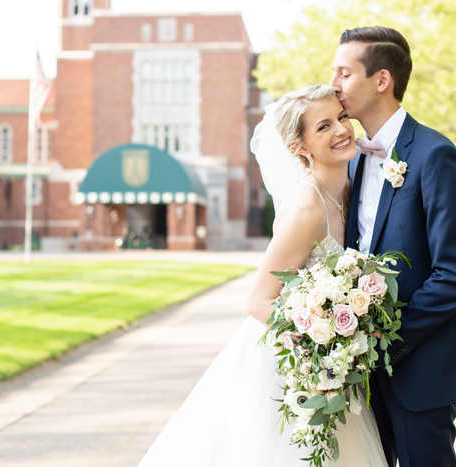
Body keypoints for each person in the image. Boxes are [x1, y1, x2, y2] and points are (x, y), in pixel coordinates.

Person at [136, 85, 387, 467]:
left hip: (333, 360)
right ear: (299, 147)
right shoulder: (306, 208)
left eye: (341, 118)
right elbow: (258, 300)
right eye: (323, 127)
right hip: (294, 362)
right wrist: (319, 337)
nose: (341, 130)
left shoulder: (352, 188)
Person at [329, 26, 456, 467]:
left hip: (420, 366)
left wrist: (385, 339)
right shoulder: (355, 158)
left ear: (381, 80)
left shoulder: (435, 155)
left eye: (344, 73)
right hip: (361, 373)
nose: (334, 85)